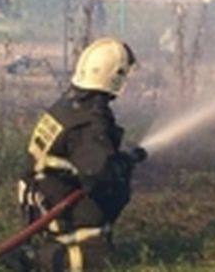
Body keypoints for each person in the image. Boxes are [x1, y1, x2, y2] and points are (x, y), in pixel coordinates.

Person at [14, 37, 144, 271]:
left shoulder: (68, 104)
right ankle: (38, 259)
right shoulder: (90, 122)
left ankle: (47, 244)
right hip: (55, 205)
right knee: (99, 259)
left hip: (39, 197)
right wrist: (121, 166)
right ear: (115, 77)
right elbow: (99, 176)